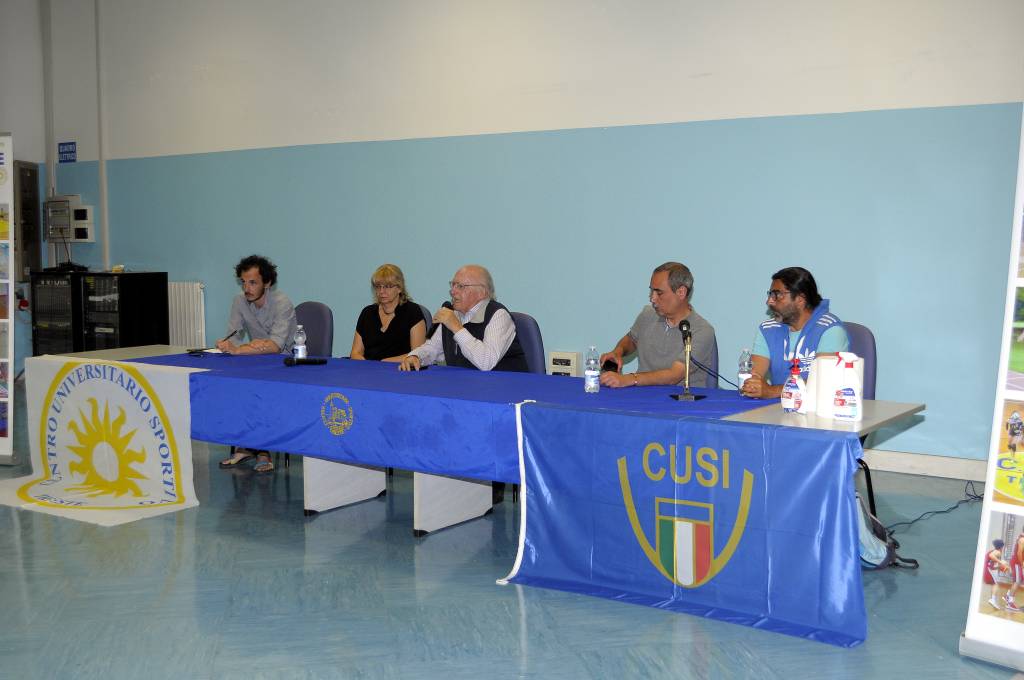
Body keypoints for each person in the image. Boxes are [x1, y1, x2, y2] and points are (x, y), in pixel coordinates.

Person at [217, 254, 297, 473]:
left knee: (261, 388)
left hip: (286, 362)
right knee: (234, 384)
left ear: (267, 283)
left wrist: (241, 349)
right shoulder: (239, 302)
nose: (247, 288)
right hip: (257, 360)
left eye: (253, 282)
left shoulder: (282, 303)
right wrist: (227, 345)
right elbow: (233, 336)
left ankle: (262, 450)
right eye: (243, 282)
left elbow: (275, 346)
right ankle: (245, 445)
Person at [599, 262, 716, 389]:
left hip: (680, 398)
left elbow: (674, 375)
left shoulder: (702, 330)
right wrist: (618, 352)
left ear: (681, 292)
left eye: (659, 293)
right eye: (651, 291)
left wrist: (630, 379)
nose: (652, 298)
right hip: (641, 394)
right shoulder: (647, 314)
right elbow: (632, 340)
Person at [740, 266, 849, 399]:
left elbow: (823, 384)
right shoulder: (768, 329)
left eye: (777, 295)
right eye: (770, 294)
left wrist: (772, 391)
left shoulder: (830, 330)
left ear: (800, 299)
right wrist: (753, 385)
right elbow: (753, 377)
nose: (769, 301)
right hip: (775, 408)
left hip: (818, 408)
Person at [399, 264, 527, 372]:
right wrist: (416, 357)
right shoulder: (453, 314)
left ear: (482, 292)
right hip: (465, 385)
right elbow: (432, 349)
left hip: (503, 387)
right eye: (453, 285)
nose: (452, 291)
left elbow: (486, 363)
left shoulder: (498, 315)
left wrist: (457, 328)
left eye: (460, 286)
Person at [350, 264, 427, 362]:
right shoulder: (367, 313)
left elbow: (417, 355)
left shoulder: (413, 312)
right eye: (378, 286)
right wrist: (367, 366)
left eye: (387, 286)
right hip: (369, 368)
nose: (382, 291)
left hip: (400, 369)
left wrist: (382, 363)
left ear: (399, 288)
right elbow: (355, 353)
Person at [986, 539, 1010, 610]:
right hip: (987, 569)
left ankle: (993, 600)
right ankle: (993, 600)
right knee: (995, 584)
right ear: (1002, 546)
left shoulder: (994, 551)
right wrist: (1001, 562)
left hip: (988, 568)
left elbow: (992, 566)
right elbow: (991, 556)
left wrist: (1000, 567)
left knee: (994, 584)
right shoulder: (998, 552)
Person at [1005, 532, 1024, 612]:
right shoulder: (1022, 539)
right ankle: (1010, 603)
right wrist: (1022, 564)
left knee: (1018, 581)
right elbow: (1019, 553)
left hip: (1017, 562)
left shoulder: (1021, 537)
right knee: (1017, 581)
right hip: (1017, 563)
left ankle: (1008, 596)